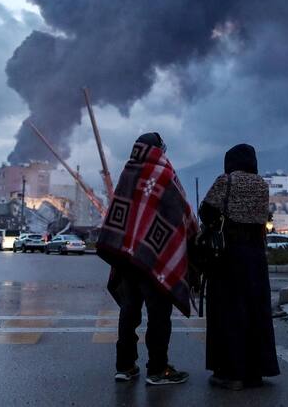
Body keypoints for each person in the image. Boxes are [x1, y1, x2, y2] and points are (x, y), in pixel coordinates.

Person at [96, 132, 199, 386]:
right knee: (158, 313)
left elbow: (121, 212)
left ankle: (125, 366)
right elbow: (182, 212)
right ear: (159, 149)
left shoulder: (128, 172)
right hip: (155, 257)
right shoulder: (164, 174)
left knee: (129, 311)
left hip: (127, 258)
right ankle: (158, 369)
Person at [199, 144, 280, 390]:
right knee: (256, 310)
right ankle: (254, 372)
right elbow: (265, 218)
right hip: (256, 256)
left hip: (228, 255)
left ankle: (231, 373)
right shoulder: (262, 185)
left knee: (228, 311)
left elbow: (207, 210)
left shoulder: (226, 181)